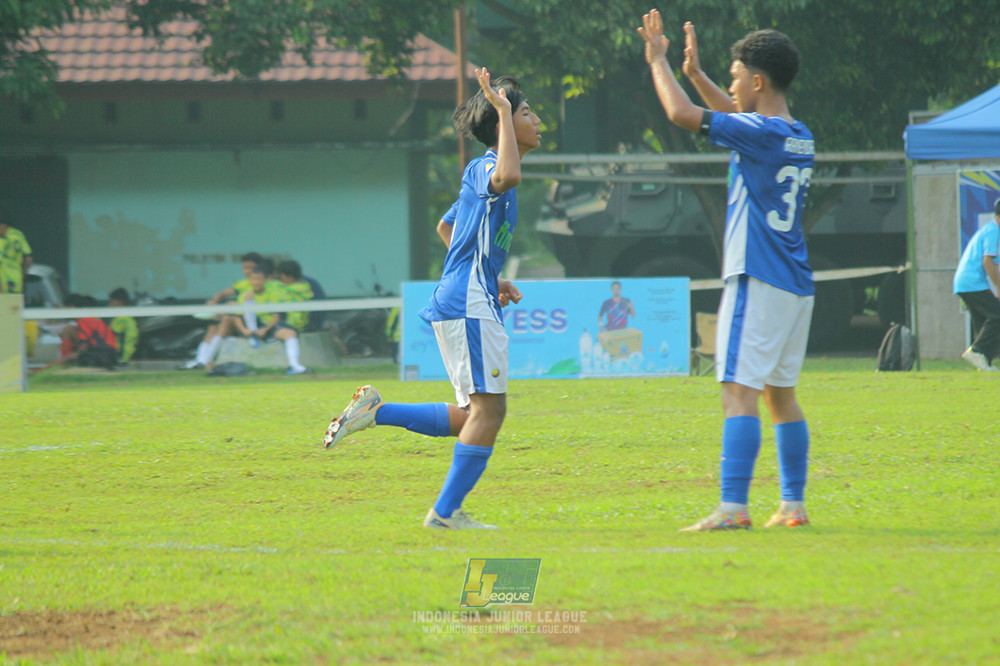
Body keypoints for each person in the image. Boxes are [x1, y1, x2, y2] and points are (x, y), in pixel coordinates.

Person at [321, 67, 541, 530]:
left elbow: (447, 227)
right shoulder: (487, 167)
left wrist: (487, 273)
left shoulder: (483, 171)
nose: (537, 119)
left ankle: (377, 412)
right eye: (526, 112)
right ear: (503, 124)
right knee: (489, 411)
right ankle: (444, 514)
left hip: (467, 297)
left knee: (472, 415)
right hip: (468, 304)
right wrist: (502, 111)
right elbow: (509, 175)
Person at [638, 10, 815, 530]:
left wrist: (659, 61)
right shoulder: (798, 133)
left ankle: (733, 508)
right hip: (796, 284)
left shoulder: (760, 132)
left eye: (736, 76)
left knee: (737, 390)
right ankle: (792, 505)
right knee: (780, 396)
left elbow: (680, 114)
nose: (732, 85)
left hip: (757, 276)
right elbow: (734, 117)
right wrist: (697, 75)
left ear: (758, 80)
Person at [181, 251, 264, 369]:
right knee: (213, 326)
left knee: (226, 318)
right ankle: (200, 360)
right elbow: (223, 293)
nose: (247, 271)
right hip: (238, 318)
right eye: (244, 267)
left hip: (252, 321)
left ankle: (206, 360)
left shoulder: (263, 283)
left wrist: (234, 306)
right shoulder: (242, 284)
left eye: (250, 267)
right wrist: (215, 301)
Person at [225, 266, 311, 375]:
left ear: (265, 280)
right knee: (247, 298)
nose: (256, 282)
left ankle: (294, 366)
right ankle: (253, 333)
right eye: (254, 279)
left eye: (259, 279)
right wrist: (244, 330)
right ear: (250, 280)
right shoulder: (245, 294)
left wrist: (265, 329)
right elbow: (237, 316)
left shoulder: (272, 292)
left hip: (268, 326)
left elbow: (276, 316)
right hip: (250, 328)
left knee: (291, 334)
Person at [953, 198, 1000, 371]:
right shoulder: (994, 231)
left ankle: (984, 362)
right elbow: (988, 261)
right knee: (997, 315)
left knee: (982, 321)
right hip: (971, 281)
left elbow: (993, 263)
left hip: (965, 282)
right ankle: (977, 351)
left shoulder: (990, 229)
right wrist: (998, 286)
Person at [60, 295, 119, 369]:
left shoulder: (84, 321)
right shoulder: (94, 320)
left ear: (72, 307)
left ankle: (65, 363)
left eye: (66, 308)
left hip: (102, 355)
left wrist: (72, 356)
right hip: (111, 354)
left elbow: (84, 345)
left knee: (67, 330)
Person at [0, 211, 33, 295]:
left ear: (3, 225)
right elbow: (29, 259)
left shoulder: (1, 238)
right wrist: (23, 273)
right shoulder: (19, 235)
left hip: (2, 279)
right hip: (17, 278)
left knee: (4, 307)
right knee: (15, 306)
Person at [108, 287, 139, 365]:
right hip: (129, 354)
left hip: (122, 356)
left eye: (111, 302)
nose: (109, 304)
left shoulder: (122, 319)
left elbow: (110, 336)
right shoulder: (128, 317)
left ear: (121, 302)